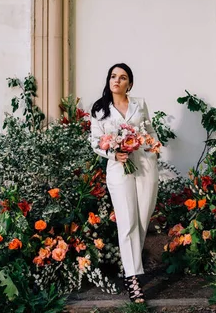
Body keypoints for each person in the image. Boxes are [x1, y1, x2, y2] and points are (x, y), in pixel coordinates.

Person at [89, 63, 159, 304]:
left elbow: (149, 130)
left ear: (130, 83)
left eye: (122, 77)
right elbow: (96, 142)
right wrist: (113, 153)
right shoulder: (100, 109)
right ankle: (133, 279)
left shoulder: (139, 104)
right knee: (127, 222)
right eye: (113, 76)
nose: (116, 80)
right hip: (119, 169)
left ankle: (131, 267)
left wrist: (154, 148)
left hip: (146, 166)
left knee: (141, 220)